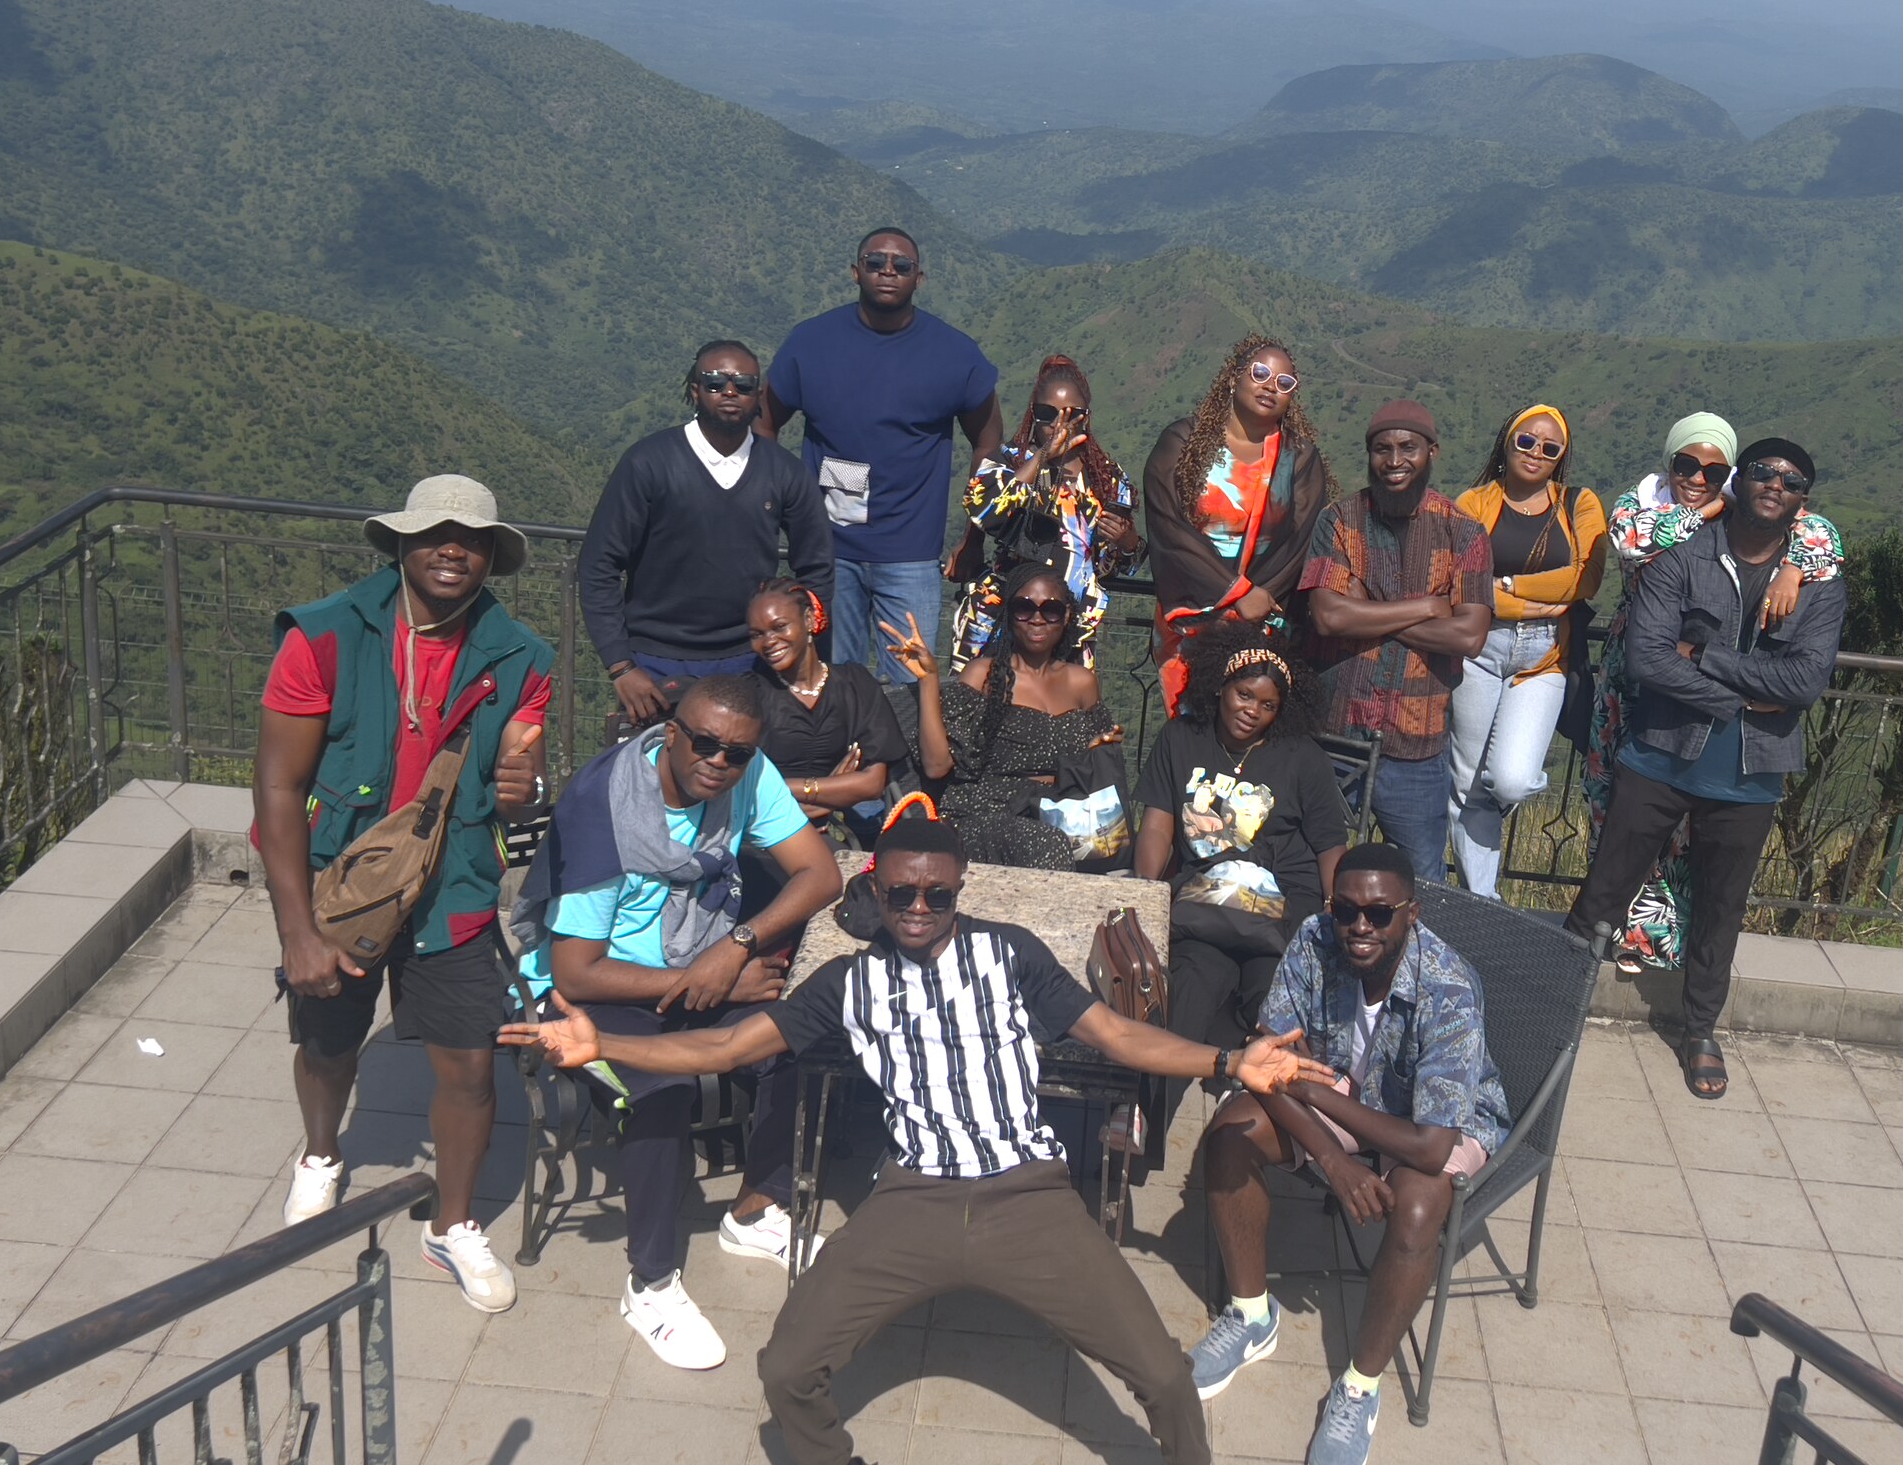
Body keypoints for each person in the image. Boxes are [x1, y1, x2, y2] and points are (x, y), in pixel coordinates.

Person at [499, 802, 1336, 1465]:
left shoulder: (1009, 955)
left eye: (939, 894)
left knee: (1162, 1376)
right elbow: (724, 1045)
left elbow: (1117, 1038)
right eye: (903, 893)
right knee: (786, 1371)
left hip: (1028, 1198)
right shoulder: (846, 983)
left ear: (959, 890)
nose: (920, 908)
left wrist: (1230, 1063)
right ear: (877, 888)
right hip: (913, 1200)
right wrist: (603, 1042)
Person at [255, 475, 552, 1314]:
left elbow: (518, 787)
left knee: (469, 1063)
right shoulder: (323, 637)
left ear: (493, 555)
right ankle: (322, 1154)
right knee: (327, 1041)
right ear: (399, 545)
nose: (453, 548)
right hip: (343, 885)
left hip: (452, 886)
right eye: (434, 533)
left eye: (472, 537)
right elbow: (277, 791)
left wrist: (526, 783)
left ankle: (451, 1224)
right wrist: (296, 933)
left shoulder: (521, 657)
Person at [510, 673, 845, 1364]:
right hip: (595, 991)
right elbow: (577, 970)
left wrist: (735, 948)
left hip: (696, 962)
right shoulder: (605, 812)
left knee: (793, 1037)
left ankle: (755, 1208)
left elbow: (822, 874)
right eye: (705, 743)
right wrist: (707, 981)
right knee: (657, 1093)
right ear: (671, 734)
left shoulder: (746, 776)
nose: (718, 762)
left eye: (737, 753)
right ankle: (651, 1281)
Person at [1195, 842, 1510, 1465]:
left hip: (1434, 1117)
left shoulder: (1448, 986)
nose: (1359, 926)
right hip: (1343, 1085)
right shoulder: (1314, 940)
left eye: (1380, 912)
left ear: (1411, 913)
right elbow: (1267, 1065)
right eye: (1346, 910)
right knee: (1229, 1136)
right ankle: (1253, 1315)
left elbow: (1430, 1142)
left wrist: (1313, 1093)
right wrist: (1334, 1162)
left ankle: (1360, 1388)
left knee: (1420, 1207)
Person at [1566, 438, 1849, 1100]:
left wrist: (1709, 660)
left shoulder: (1818, 584)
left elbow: (1806, 681)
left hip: (1749, 779)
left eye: (1791, 480)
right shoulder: (1683, 560)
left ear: (1803, 500)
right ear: (1738, 483)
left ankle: (1699, 1031)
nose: (1775, 484)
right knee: (1603, 893)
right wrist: (1747, 698)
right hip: (1659, 756)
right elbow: (1650, 660)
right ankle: (1556, 1001)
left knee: (1721, 911)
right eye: (1762, 473)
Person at [763, 226, 1002, 684]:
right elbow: (765, 421)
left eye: (901, 265)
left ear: (919, 278)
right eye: (875, 263)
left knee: (912, 692)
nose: (887, 272)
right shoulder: (811, 344)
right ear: (856, 272)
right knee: (831, 683)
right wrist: (778, 508)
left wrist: (975, 535)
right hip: (828, 553)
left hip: (911, 556)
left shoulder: (954, 355)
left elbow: (988, 442)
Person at [582, 338, 835, 725]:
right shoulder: (648, 463)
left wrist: (795, 645)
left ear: (759, 395)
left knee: (737, 773)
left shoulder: (784, 472)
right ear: (694, 390)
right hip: (654, 664)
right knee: (658, 779)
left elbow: (817, 567)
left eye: (744, 384)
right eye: (715, 382)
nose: (730, 392)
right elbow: (599, 566)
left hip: (753, 659)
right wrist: (621, 667)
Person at [1133, 622, 1349, 1064]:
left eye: (1268, 705)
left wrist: (1337, 906)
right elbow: (1158, 825)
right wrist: (1144, 889)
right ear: (1220, 687)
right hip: (1205, 905)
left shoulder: (1302, 757)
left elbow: (1329, 843)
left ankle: (1257, 1117)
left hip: (1283, 909)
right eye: (1244, 695)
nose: (1253, 710)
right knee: (1189, 987)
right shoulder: (1180, 739)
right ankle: (1148, 1119)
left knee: (1273, 1006)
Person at [1299, 401, 1491, 874]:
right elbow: (1326, 617)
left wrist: (1367, 609)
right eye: (1382, 449)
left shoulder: (1464, 533)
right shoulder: (1340, 521)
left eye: (1409, 448)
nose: (1394, 460)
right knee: (1307, 862)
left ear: (1432, 452)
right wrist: (1429, 607)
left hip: (1417, 743)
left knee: (1421, 878)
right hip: (1336, 731)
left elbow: (1469, 636)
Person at [1446, 404, 1608, 897]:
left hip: (1544, 661)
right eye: (1526, 441)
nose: (1536, 452)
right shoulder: (1473, 503)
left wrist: (1509, 586)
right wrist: (1531, 604)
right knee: (1466, 783)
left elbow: (1587, 576)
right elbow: (1459, 583)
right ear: (1506, 443)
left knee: (1511, 782)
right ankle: (1482, 897)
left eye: (1549, 447)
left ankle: (1480, 841)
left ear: (1561, 457)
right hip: (1477, 649)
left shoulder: (1577, 503)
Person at [880, 566, 1126, 871]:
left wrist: (1096, 749)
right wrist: (929, 680)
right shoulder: (983, 675)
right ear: (1010, 615)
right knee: (1047, 843)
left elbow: (1096, 770)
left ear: (1065, 618)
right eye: (1024, 608)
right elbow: (936, 765)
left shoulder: (1082, 683)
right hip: (987, 813)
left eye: (1050, 610)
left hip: (1062, 812)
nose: (1037, 618)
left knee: (1117, 846)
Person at [1143, 335, 1332, 693]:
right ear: (1234, 378)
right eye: (1259, 373)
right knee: (1190, 728)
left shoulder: (1301, 458)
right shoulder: (1182, 441)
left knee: (1247, 724)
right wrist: (1235, 592)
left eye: (1283, 382)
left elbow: (1301, 541)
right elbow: (1169, 527)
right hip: (1190, 616)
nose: (1270, 387)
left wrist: (1256, 600)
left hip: (1262, 620)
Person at [949, 354, 1141, 672]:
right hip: (1004, 620)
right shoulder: (1011, 461)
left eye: (1072, 415)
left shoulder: (1107, 479)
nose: (1057, 425)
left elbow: (1115, 567)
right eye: (1046, 413)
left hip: (1072, 627)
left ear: (1087, 418)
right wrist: (1041, 457)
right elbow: (982, 506)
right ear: (1032, 414)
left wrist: (1128, 541)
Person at [746, 579, 908, 841]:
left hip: (828, 835)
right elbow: (746, 789)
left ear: (809, 620)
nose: (768, 642)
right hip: (761, 837)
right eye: (757, 634)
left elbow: (871, 783)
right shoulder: (750, 695)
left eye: (779, 627)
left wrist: (785, 790)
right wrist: (831, 791)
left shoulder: (855, 684)